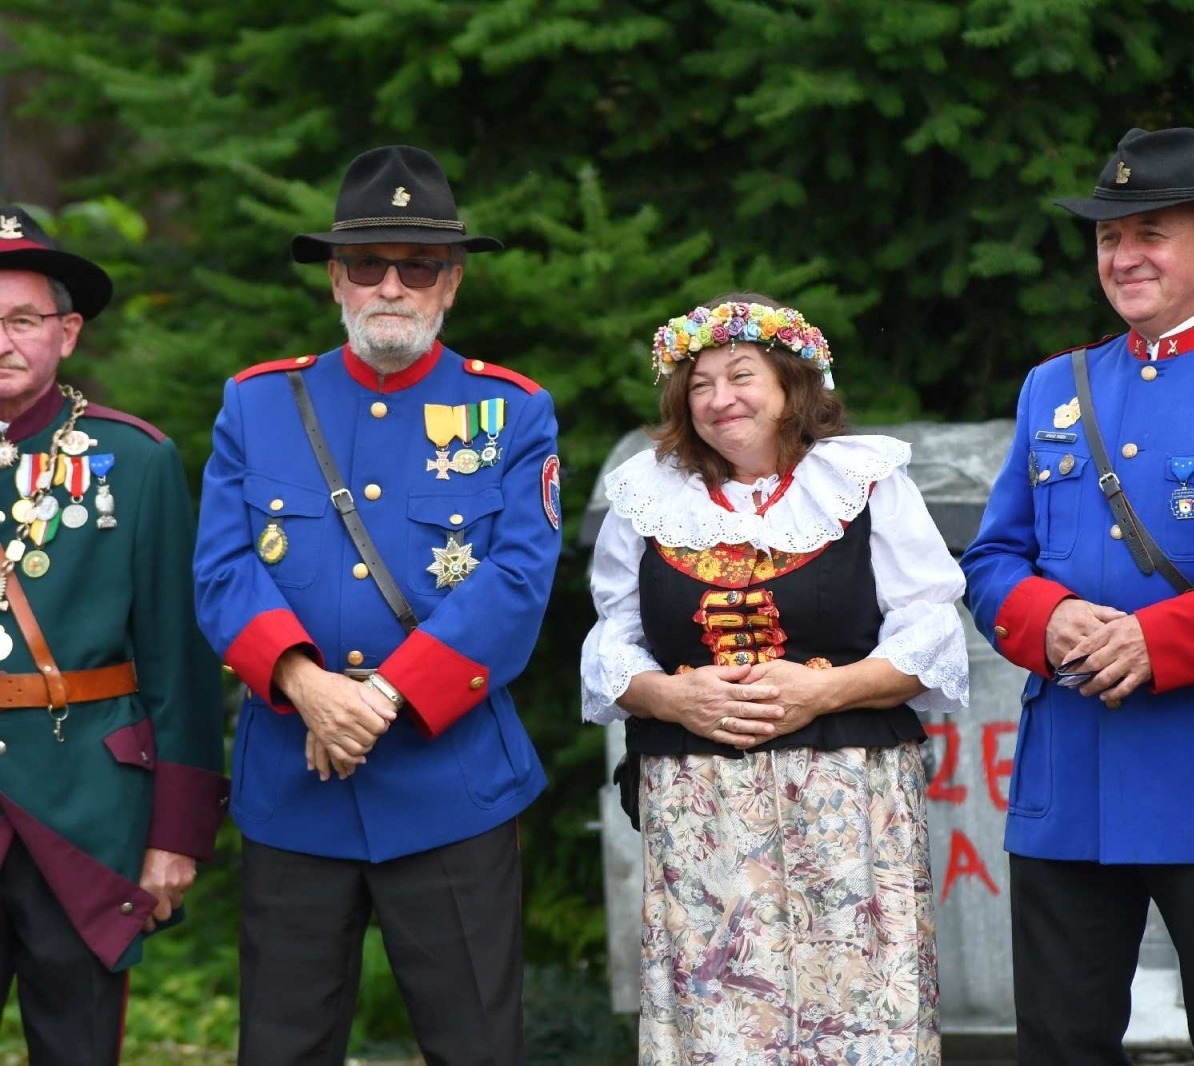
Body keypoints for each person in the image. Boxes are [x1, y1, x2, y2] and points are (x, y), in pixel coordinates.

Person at [192, 145, 561, 1065]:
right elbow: (223, 569)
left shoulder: (512, 412)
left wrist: (379, 699)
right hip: (295, 788)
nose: (390, 285)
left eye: (418, 265)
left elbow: (517, 580)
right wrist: (306, 685)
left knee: (476, 1047)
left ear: (451, 285)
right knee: (281, 1049)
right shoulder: (258, 404)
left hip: (451, 789)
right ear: (334, 280)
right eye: (368, 264)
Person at [961, 127, 1194, 1066]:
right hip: (1069, 786)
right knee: (1059, 1045)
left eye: (1150, 233)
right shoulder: (1054, 388)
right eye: (1108, 238)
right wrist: (1049, 619)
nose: (1123, 257)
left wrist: (1169, 640)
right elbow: (994, 557)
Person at [580, 293, 967, 1063]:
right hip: (699, 809)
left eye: (742, 376)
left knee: (855, 1007)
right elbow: (612, 637)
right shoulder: (646, 496)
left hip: (850, 801)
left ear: (792, 384)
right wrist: (669, 696)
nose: (721, 400)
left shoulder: (864, 483)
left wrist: (825, 689)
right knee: (718, 1019)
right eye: (700, 385)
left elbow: (932, 632)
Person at [0, 206, 226, 1062]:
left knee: (78, 1046)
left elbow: (180, 661)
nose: (4, 342)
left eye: (23, 320)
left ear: (67, 332)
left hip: (87, 813)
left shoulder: (134, 461)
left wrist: (175, 835)